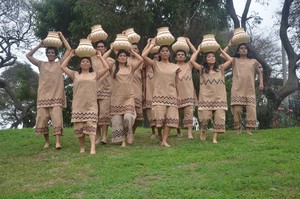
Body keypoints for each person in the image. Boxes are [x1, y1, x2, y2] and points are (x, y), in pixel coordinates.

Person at [26, 31, 71, 149]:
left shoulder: (60, 64)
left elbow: (69, 50)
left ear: (56, 55)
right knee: (42, 119)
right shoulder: (41, 64)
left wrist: (62, 37)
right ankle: (46, 141)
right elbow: (28, 56)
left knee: (57, 119)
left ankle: (57, 142)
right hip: (43, 96)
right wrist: (39, 45)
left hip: (56, 96)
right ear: (46, 54)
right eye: (49, 52)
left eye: (53, 53)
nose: (51, 54)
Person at [60, 50, 109, 154]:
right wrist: (70, 56)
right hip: (78, 104)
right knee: (79, 127)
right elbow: (62, 67)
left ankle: (92, 147)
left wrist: (100, 57)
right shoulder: (75, 74)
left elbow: (107, 68)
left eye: (87, 61)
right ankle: (82, 147)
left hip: (91, 104)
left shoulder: (95, 74)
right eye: (83, 62)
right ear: (80, 64)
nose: (85, 63)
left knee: (91, 124)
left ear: (90, 64)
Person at [142, 38, 180, 147]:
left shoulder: (175, 67)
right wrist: (151, 44)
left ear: (170, 53)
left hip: (171, 95)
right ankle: (159, 133)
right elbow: (143, 56)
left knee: (170, 119)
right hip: (159, 95)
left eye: (167, 51)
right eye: (162, 51)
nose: (165, 52)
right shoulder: (155, 64)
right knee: (159, 120)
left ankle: (164, 140)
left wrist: (179, 95)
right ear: (159, 53)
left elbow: (176, 82)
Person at [190, 45, 232, 144]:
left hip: (219, 97)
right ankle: (203, 132)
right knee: (205, 118)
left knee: (219, 118)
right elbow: (192, 61)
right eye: (209, 56)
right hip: (206, 97)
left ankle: (214, 138)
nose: (211, 58)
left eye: (213, 56)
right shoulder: (202, 69)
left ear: (215, 58)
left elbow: (230, 60)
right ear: (205, 59)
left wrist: (221, 50)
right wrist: (198, 50)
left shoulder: (220, 69)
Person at [223, 42, 264, 134]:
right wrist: (230, 44)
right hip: (237, 89)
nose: (243, 49)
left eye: (245, 48)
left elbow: (260, 72)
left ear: (248, 50)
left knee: (251, 109)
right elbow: (222, 54)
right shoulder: (234, 60)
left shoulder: (254, 61)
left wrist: (261, 83)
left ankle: (248, 129)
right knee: (237, 110)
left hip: (250, 89)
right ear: (238, 51)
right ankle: (238, 128)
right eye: (241, 48)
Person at [109, 48, 143, 147]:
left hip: (129, 97)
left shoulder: (130, 68)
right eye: (120, 56)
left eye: (124, 56)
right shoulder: (113, 68)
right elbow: (104, 58)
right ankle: (122, 140)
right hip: (116, 98)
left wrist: (132, 52)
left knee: (128, 117)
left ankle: (129, 132)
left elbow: (141, 60)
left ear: (127, 58)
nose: (123, 57)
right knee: (117, 120)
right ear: (117, 57)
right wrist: (111, 49)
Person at [91, 40, 115, 144]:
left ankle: (105, 136)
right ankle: (98, 136)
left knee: (104, 114)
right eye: (98, 47)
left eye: (102, 47)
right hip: (93, 89)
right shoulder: (91, 59)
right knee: (94, 114)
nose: (100, 48)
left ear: (105, 48)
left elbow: (113, 74)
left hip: (106, 89)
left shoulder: (111, 60)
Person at [174, 38, 197, 139]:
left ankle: (189, 132)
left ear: (185, 56)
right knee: (177, 114)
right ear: (175, 57)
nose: (180, 56)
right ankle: (178, 130)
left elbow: (195, 52)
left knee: (189, 113)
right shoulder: (172, 66)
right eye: (178, 55)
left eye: (182, 55)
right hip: (177, 93)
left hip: (188, 92)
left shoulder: (189, 65)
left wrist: (189, 42)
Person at [142, 41, 160, 139]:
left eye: (158, 58)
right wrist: (149, 44)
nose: (157, 59)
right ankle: (153, 132)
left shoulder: (163, 67)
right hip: (149, 92)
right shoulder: (148, 66)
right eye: (155, 58)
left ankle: (160, 131)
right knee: (150, 112)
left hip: (160, 93)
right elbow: (143, 55)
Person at [128, 43, 144, 137]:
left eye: (136, 49)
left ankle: (133, 130)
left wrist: (143, 90)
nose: (133, 50)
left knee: (138, 116)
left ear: (138, 51)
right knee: (128, 112)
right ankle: (128, 131)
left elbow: (143, 77)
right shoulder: (125, 59)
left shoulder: (140, 61)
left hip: (137, 88)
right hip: (127, 88)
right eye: (132, 48)